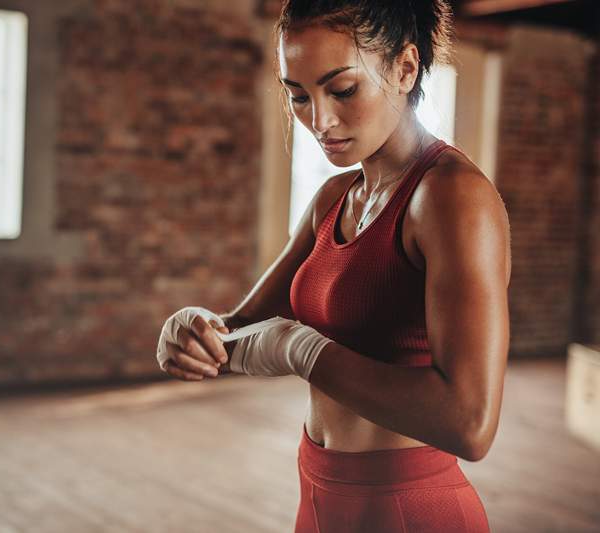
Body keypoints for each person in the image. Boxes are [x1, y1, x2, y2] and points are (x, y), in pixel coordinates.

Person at [156, 1, 511, 531]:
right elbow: (242, 331)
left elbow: (470, 424)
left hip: (410, 508)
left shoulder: (452, 199)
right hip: (320, 492)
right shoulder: (334, 198)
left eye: (342, 90)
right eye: (297, 95)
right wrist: (192, 330)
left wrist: (300, 349)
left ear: (405, 68)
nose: (318, 121)